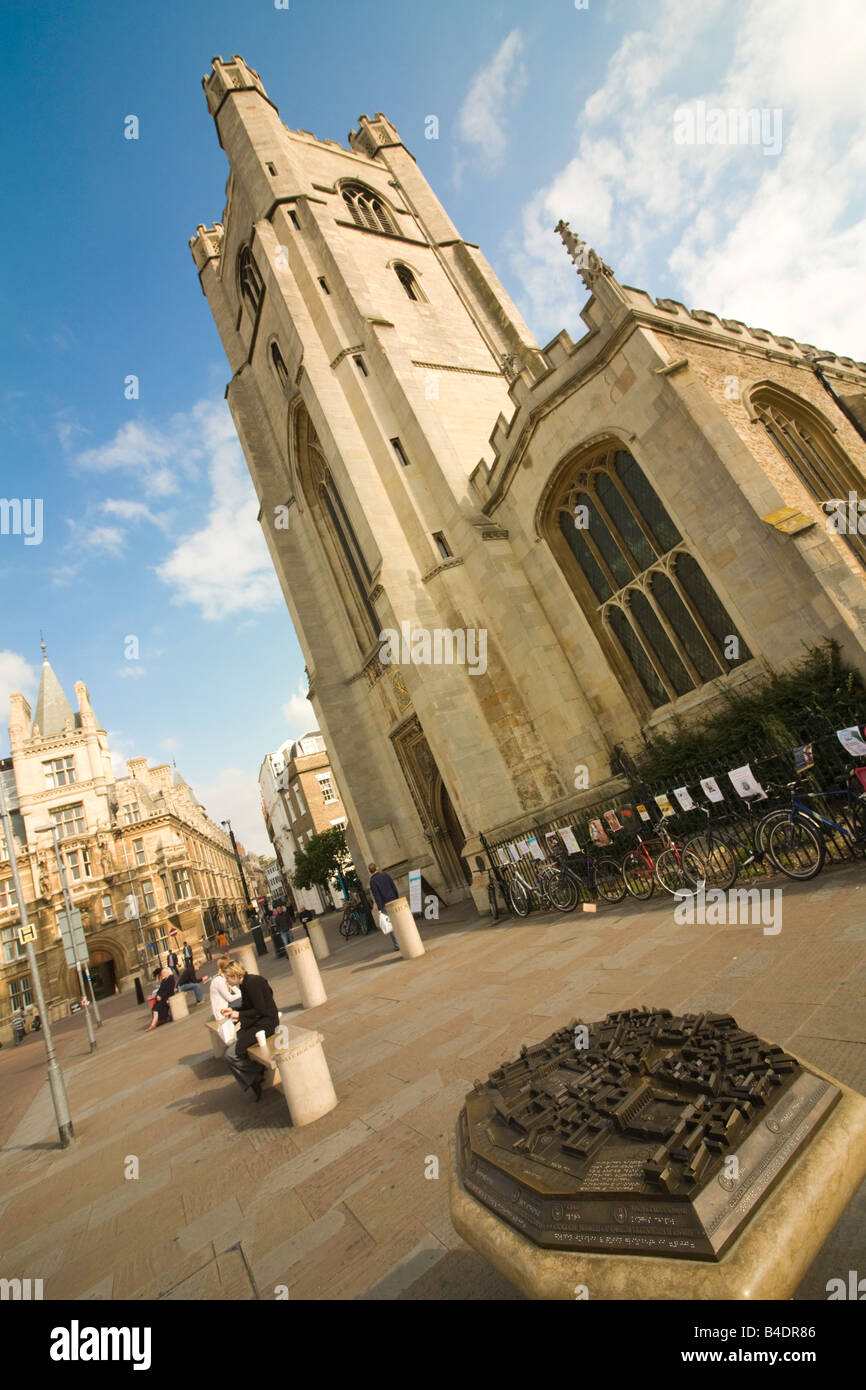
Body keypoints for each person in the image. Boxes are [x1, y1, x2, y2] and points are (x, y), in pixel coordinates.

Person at [220, 961, 279, 1101]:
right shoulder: (247, 982)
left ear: (234, 975)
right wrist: (234, 1011)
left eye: (227, 978)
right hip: (259, 1023)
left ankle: (255, 1076)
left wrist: (239, 1015)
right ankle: (255, 1075)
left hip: (266, 1025)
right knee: (230, 1046)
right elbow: (251, 1005)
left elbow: (260, 1010)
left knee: (230, 1054)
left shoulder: (251, 984)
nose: (227, 982)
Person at [368, 863, 401, 952]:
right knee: (398, 920)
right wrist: (397, 897)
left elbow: (376, 895)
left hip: (384, 904)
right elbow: (393, 887)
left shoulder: (372, 881)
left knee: (390, 924)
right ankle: (404, 938)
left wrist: (379, 908)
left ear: (370, 871)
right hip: (393, 899)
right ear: (377, 868)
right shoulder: (385, 875)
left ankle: (397, 944)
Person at [209, 956, 242, 1022]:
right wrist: (242, 994)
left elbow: (237, 990)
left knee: (245, 998)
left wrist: (241, 993)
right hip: (222, 1010)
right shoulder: (219, 981)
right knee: (243, 1000)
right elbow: (229, 998)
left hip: (227, 1004)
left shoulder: (224, 976)